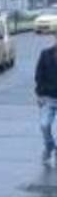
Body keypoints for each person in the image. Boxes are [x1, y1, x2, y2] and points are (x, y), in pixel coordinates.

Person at [36, 33, 57, 164]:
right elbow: (39, 75)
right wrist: (39, 94)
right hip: (48, 97)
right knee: (44, 125)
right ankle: (49, 147)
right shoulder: (45, 54)